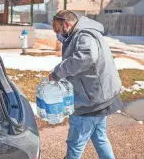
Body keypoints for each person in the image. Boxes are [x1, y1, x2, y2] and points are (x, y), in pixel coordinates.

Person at [49, 10, 123, 159]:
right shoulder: (84, 33)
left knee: (75, 144)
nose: (58, 35)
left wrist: (58, 72)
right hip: (100, 98)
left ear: (67, 24)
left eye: (58, 30)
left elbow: (86, 57)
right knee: (100, 137)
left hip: (90, 101)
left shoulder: (84, 35)